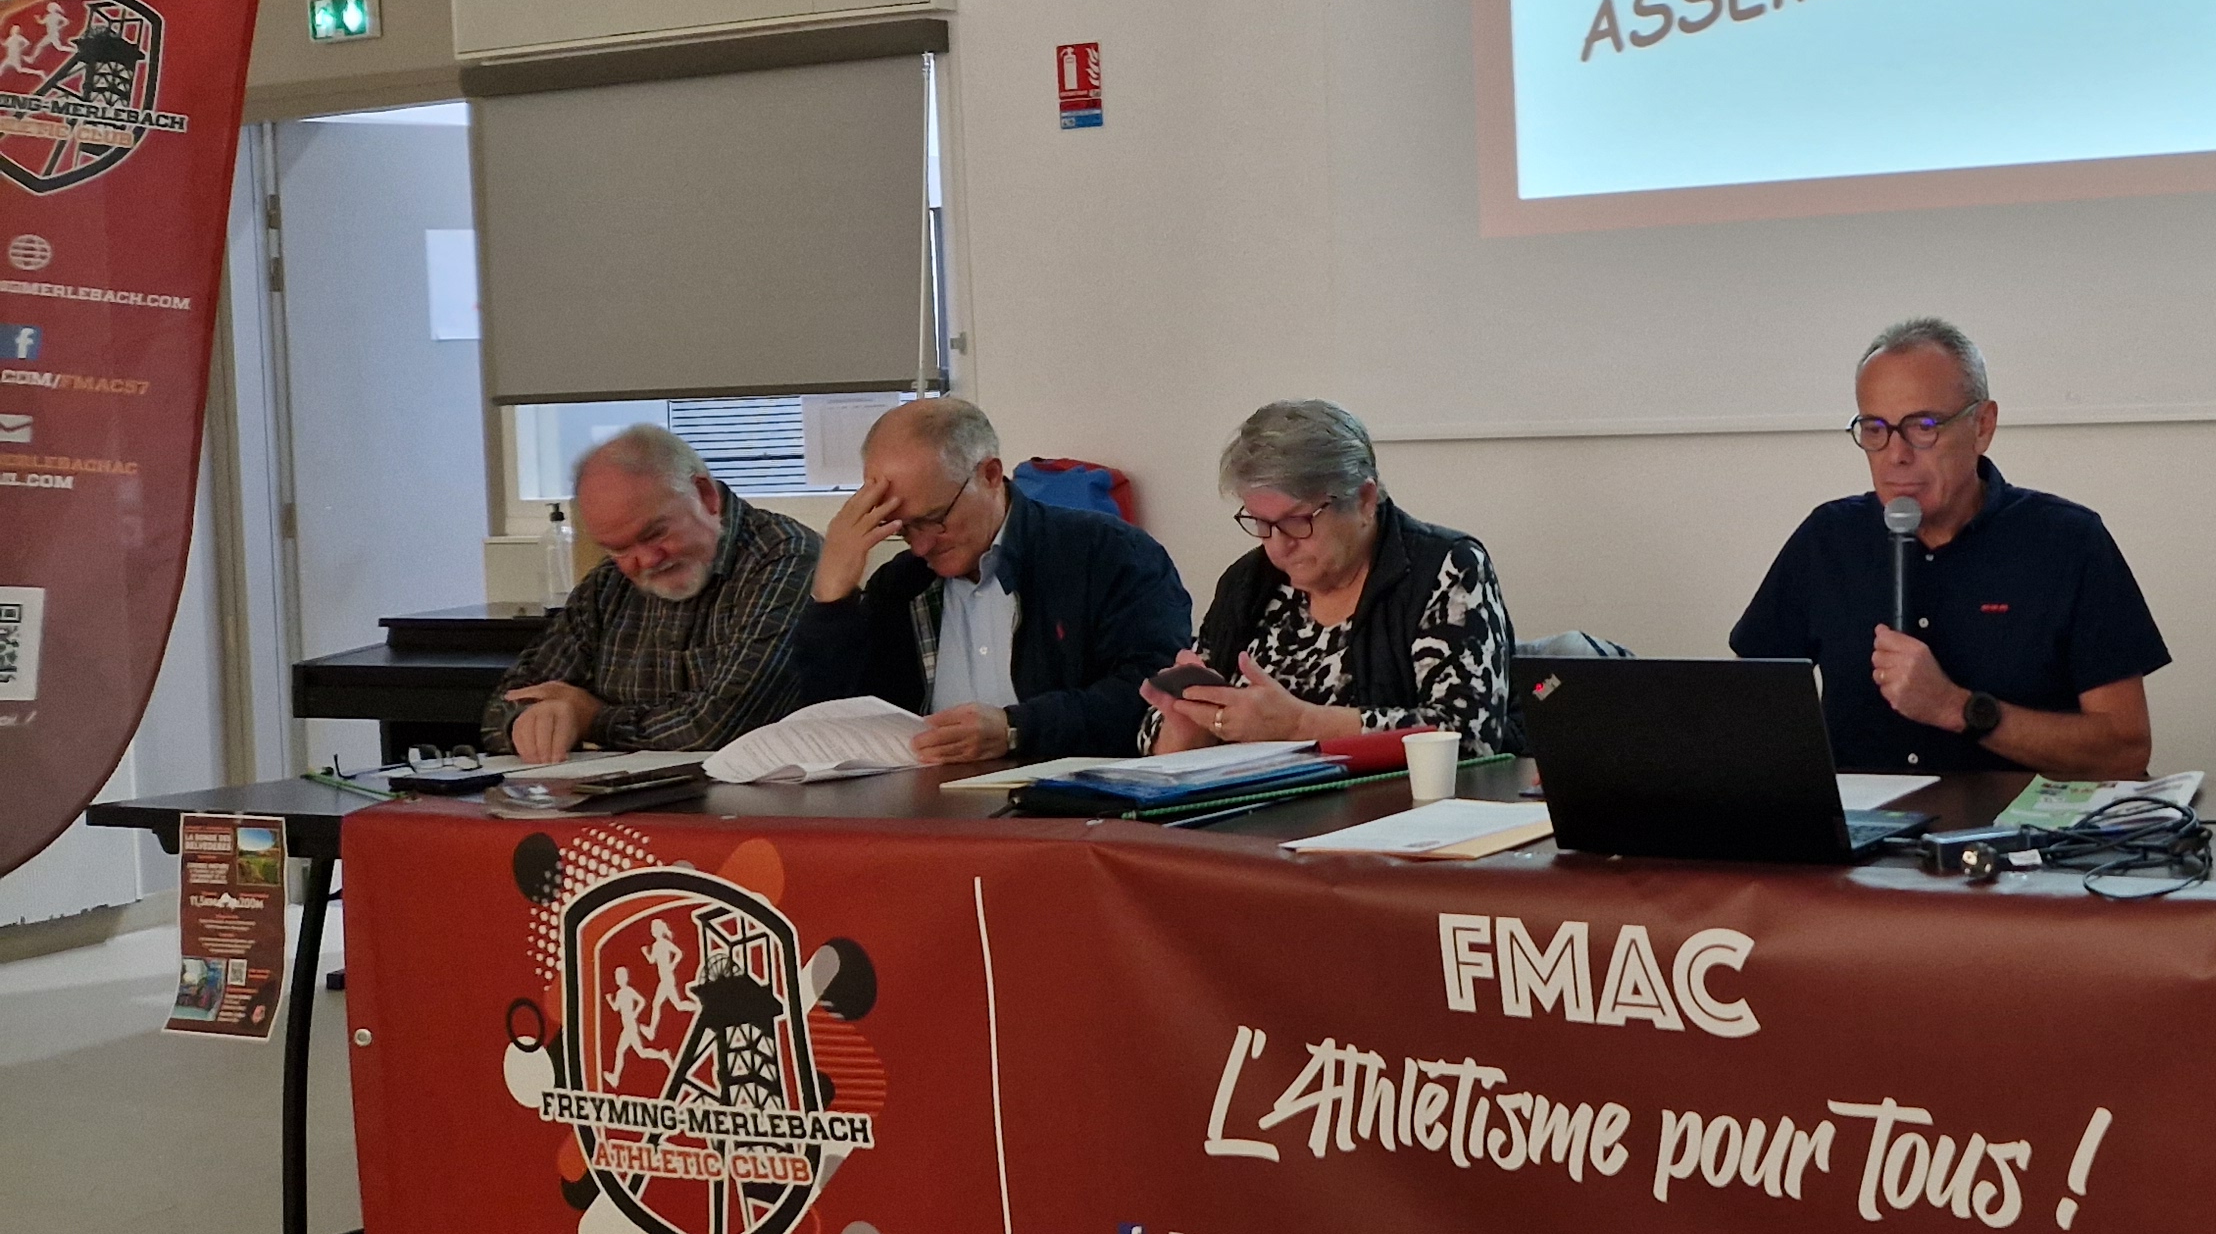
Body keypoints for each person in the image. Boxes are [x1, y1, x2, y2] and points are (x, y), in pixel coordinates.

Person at [1732, 317, 2169, 776]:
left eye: (1923, 426)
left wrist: (1956, 708)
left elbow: (2125, 750)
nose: (1897, 455)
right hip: (1862, 822)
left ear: (1982, 426)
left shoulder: (2068, 542)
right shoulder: (1827, 539)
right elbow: (1751, 711)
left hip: (2016, 821)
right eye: (1875, 428)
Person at [791, 397, 1192, 762]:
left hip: (1072, 802)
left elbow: (1155, 695)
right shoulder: (900, 586)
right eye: (903, 528)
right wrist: (832, 597)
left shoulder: (1109, 554)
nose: (921, 545)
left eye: (934, 519)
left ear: (990, 474)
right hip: (928, 804)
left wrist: (1017, 729)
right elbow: (831, 725)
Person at [1143, 399, 1519, 756]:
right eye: (1260, 523)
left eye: (1297, 521)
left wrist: (1301, 724)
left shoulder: (1445, 568)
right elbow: (1151, 739)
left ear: (1364, 499)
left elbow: (1468, 735)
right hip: (1259, 801)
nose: (1278, 546)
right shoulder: (1247, 582)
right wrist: (1187, 729)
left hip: (1396, 800)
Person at [483, 425, 823, 762]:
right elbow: (504, 706)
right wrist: (530, 723)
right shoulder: (607, 585)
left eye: (656, 534)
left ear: (706, 496)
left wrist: (593, 719)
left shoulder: (786, 558)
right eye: (619, 548)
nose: (646, 560)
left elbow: (719, 726)